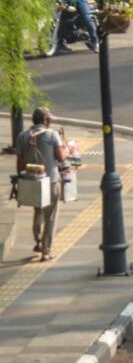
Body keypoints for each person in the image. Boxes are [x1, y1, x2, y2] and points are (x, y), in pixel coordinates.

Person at [15, 107, 67, 261]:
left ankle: (38, 240)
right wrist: (64, 147)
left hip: (32, 181)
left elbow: (20, 164)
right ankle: (46, 251)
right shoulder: (52, 135)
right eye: (49, 119)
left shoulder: (23, 136)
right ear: (45, 121)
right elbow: (61, 157)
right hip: (50, 181)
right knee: (50, 216)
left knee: (38, 210)